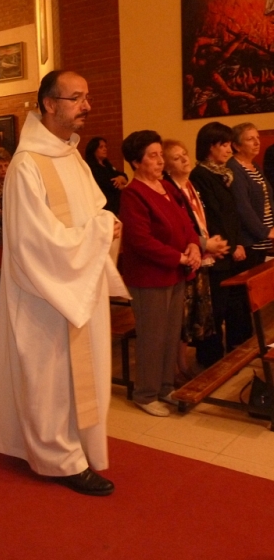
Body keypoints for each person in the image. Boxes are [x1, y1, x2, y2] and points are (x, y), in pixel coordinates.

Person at [0, 70, 128, 497]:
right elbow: (35, 241)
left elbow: (95, 211)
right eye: (77, 98)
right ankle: (59, 458)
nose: (87, 106)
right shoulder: (28, 165)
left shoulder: (71, 155)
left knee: (78, 378)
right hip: (46, 292)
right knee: (50, 379)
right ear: (50, 104)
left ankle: (76, 446)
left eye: (87, 97)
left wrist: (105, 227)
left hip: (78, 285)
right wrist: (102, 231)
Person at [119, 131, 201, 417]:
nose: (159, 160)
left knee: (170, 334)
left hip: (175, 273)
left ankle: (166, 387)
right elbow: (141, 241)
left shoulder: (166, 186)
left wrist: (193, 245)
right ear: (136, 162)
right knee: (152, 337)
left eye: (159, 154)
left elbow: (186, 222)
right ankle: (145, 393)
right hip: (150, 277)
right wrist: (179, 257)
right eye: (152, 156)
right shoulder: (133, 194)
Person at [162, 140, 229, 382]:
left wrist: (210, 245)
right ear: (167, 167)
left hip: (198, 256)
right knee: (181, 319)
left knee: (189, 321)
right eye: (177, 158)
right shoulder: (168, 188)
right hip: (182, 259)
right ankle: (174, 368)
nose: (185, 159)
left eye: (185, 154)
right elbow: (175, 229)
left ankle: (181, 364)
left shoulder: (189, 185)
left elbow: (199, 220)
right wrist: (204, 245)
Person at [189, 122, 247, 365]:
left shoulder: (224, 174)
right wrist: (227, 246)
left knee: (234, 307)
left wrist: (239, 243)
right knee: (215, 310)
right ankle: (210, 361)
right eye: (223, 144)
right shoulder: (201, 175)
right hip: (216, 253)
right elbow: (212, 215)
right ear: (210, 146)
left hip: (231, 249)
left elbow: (234, 214)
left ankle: (233, 354)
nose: (229, 149)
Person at [228, 123, 274, 268]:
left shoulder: (254, 166)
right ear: (236, 145)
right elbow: (243, 207)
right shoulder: (234, 168)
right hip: (250, 241)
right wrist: (265, 232)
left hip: (264, 239)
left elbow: (268, 200)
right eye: (250, 139)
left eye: (257, 137)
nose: (257, 142)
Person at [84, 137, 128, 214]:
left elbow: (123, 176)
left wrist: (121, 178)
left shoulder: (107, 165)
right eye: (101, 147)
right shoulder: (91, 167)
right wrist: (121, 186)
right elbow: (108, 184)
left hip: (117, 205)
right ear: (93, 150)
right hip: (106, 206)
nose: (105, 149)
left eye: (105, 146)